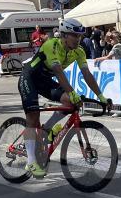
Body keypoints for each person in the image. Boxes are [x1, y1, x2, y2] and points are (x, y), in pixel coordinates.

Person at [19, 18, 110, 178]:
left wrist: (101, 96)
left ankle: (46, 130)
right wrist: (73, 92)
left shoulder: (79, 51)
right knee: (33, 117)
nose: (78, 39)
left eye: (80, 36)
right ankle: (31, 161)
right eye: (75, 36)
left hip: (45, 81)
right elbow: (58, 71)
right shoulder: (52, 45)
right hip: (29, 78)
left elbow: (87, 74)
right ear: (64, 35)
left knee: (68, 102)